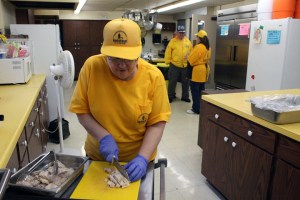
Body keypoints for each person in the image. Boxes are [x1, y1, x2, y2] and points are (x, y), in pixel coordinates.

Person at [68, 18, 171, 182]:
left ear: (138, 53)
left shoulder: (153, 77)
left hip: (138, 158)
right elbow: (81, 110)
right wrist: (104, 137)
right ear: (105, 53)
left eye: (128, 58)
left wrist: (143, 158)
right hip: (98, 157)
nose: (121, 65)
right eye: (114, 58)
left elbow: (157, 123)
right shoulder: (92, 67)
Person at [164, 26, 193, 103]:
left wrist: (190, 60)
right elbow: (168, 52)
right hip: (174, 65)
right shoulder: (172, 41)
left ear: (185, 33)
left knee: (186, 82)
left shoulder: (188, 42)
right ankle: (170, 96)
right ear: (177, 33)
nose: (181, 34)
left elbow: (191, 52)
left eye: (183, 32)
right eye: (180, 33)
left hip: (185, 65)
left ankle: (185, 96)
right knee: (172, 81)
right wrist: (168, 61)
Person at [186, 30, 211, 114]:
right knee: (201, 91)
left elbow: (191, 60)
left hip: (197, 71)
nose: (196, 39)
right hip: (204, 69)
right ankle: (201, 108)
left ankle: (196, 109)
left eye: (197, 37)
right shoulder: (208, 47)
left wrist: (187, 57)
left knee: (195, 91)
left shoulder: (199, 47)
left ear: (200, 38)